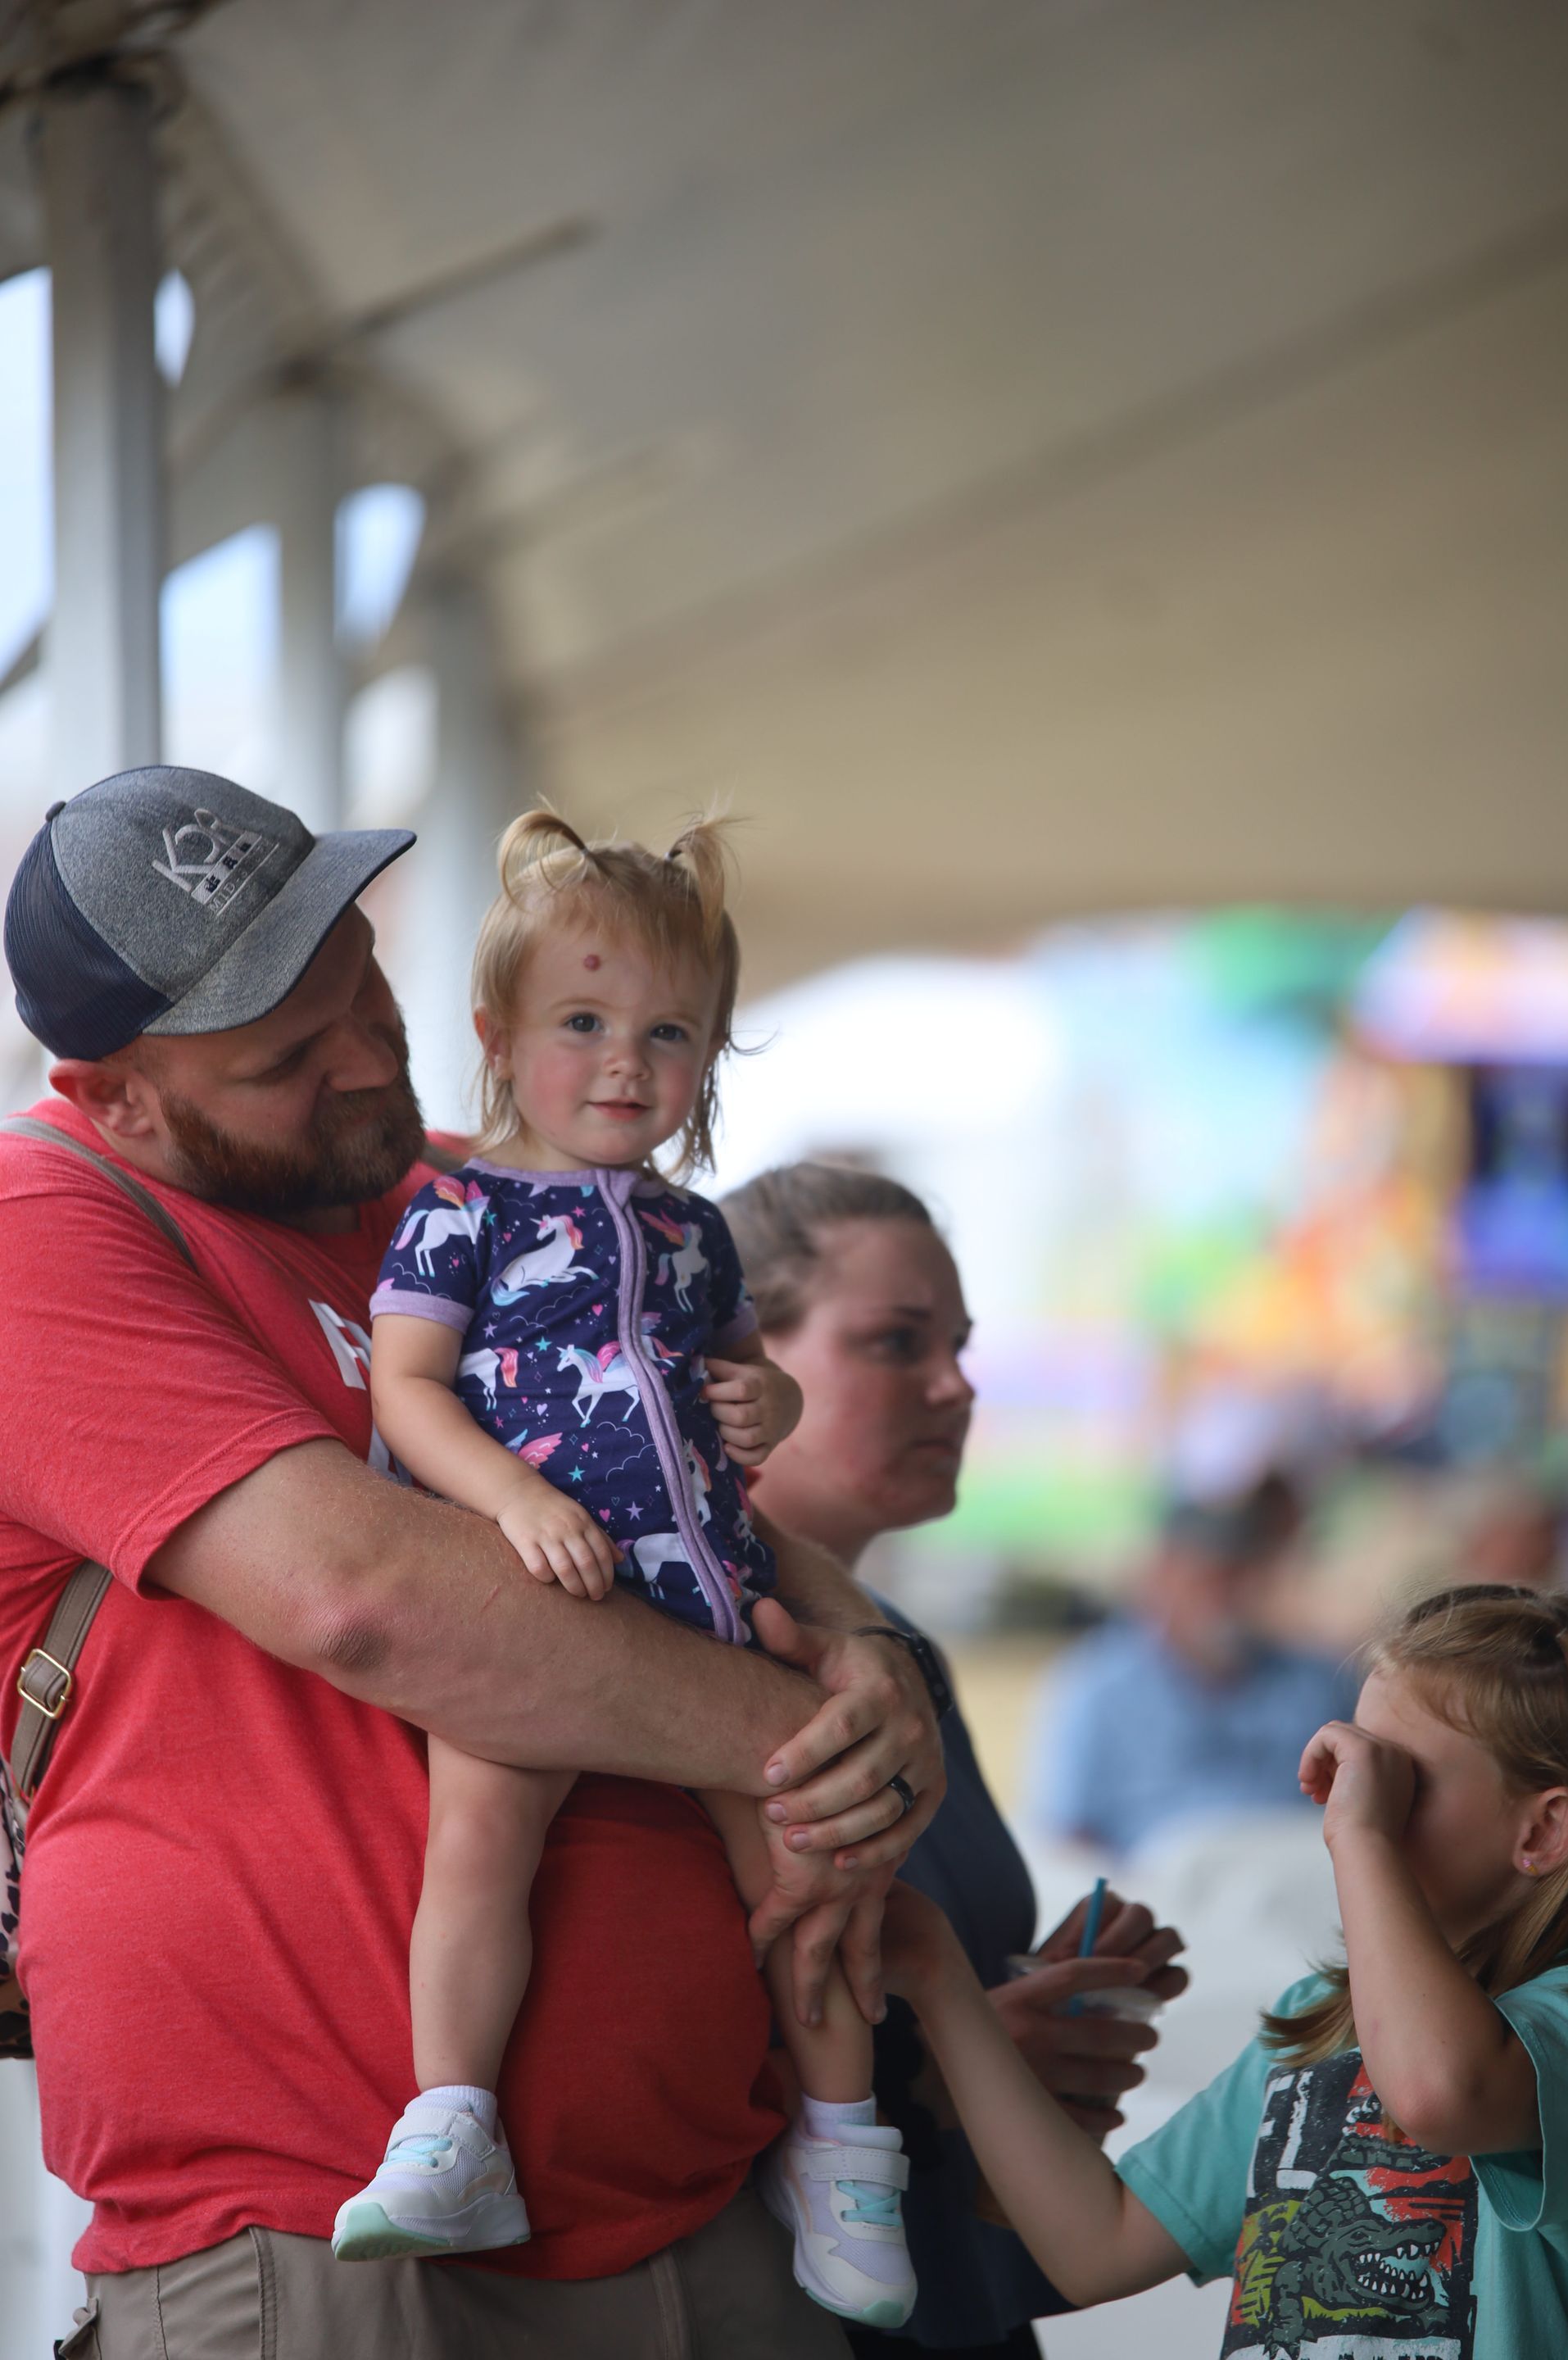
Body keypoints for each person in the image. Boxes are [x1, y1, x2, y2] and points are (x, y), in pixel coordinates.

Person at [0, 768, 948, 2360]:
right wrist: (813, 1760)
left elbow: (689, 1483)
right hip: (318, 2236)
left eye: (359, 978)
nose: (369, 1054)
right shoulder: (44, 1223)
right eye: (286, 1057)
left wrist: (871, 1662)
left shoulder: (466, 1187)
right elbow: (362, 1600)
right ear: (119, 1096)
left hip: (705, 2194)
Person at [342, 812, 918, 2329]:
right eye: (582, 1025)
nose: (624, 1065)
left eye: (669, 1036)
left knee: (807, 1868)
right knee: (480, 1842)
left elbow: (736, 1381)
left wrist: (775, 1405)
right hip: (530, 1610)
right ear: (498, 1035)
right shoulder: (455, 1210)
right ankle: (453, 2120)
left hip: (711, 1611)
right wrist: (506, 1500)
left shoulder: (692, 1231)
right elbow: (402, 1389)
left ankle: (847, 2147)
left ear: (712, 1056)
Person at [723, 1162, 1188, 2359]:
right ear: (740, 1362)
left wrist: (1035, 2017)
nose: (955, 1385)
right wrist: (957, 2066)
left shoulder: (901, 1653)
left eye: (962, 1343)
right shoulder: (695, 1655)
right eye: (894, 1342)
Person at [881, 1582, 1568, 2356]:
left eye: (1397, 1781)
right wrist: (943, 1985)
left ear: (1544, 1830)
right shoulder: (1323, 2022)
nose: (1349, 1807)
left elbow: (1442, 2093)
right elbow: (1095, 2245)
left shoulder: (1555, 2025)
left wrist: (1363, 1841)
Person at [1027, 1483, 1357, 1855]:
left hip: (1296, 1883)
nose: (1224, 1596)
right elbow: (1065, 1833)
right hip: (1159, 1892)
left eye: (1240, 1574)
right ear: (1163, 1577)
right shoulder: (1094, 1687)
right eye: (1206, 1576)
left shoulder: (1319, 1680)